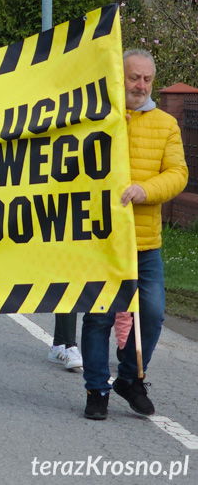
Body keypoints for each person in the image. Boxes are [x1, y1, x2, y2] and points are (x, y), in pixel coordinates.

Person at [81, 49, 187, 420]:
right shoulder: (99, 120)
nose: (140, 85)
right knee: (99, 318)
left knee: (154, 314)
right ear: (118, 76)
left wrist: (145, 190)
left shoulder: (166, 124)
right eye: (133, 77)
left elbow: (178, 174)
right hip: (102, 242)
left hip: (145, 243)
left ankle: (129, 378)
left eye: (147, 79)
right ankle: (97, 390)